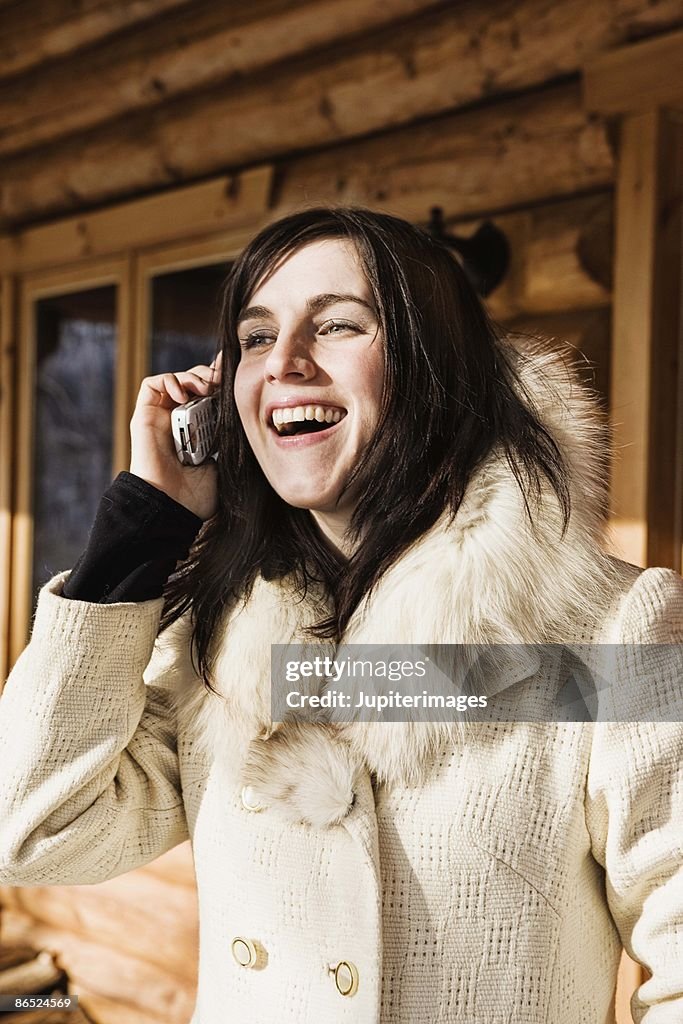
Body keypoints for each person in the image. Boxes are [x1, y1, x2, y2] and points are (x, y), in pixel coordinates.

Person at [0, 207, 681, 1023]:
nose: (284, 362)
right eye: (254, 337)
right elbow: (35, 830)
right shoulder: (221, 641)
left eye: (337, 326)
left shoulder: (602, 630)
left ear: (435, 366)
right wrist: (144, 527)